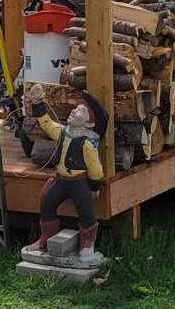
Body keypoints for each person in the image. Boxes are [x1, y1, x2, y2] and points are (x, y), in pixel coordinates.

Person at [22, 81, 107, 267]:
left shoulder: (87, 144)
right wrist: (37, 101)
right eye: (75, 109)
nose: (74, 111)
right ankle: (47, 237)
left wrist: (94, 186)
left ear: (89, 123)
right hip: (60, 180)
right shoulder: (62, 132)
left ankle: (87, 247)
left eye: (80, 112)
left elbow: (95, 168)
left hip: (79, 183)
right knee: (46, 203)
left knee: (86, 214)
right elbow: (46, 123)